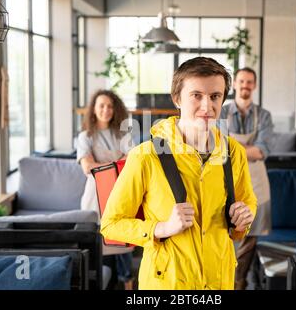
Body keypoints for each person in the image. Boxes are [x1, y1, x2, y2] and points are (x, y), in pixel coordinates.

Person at [100, 57, 257, 290]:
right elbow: (110, 224)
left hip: (220, 282)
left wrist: (244, 217)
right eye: (196, 95)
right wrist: (161, 228)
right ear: (177, 99)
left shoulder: (234, 153)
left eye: (215, 96)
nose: (207, 106)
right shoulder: (146, 155)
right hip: (166, 284)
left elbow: (246, 206)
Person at [220, 67, 274, 290]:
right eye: (241, 81)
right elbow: (216, 146)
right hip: (226, 180)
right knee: (226, 233)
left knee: (251, 237)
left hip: (257, 182)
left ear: (255, 86)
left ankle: (239, 282)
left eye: (249, 82)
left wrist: (230, 145)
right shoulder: (221, 112)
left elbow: (262, 151)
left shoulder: (264, 116)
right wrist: (245, 148)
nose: (245, 85)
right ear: (234, 84)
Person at [77, 89, 135, 290]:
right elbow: (87, 167)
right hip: (94, 198)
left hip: (120, 194)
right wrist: (117, 164)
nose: (106, 110)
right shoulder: (85, 137)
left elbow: (133, 164)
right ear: (93, 109)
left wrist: (100, 165)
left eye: (110, 106)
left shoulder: (124, 135)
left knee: (123, 247)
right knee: (96, 246)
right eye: (101, 105)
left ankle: (129, 285)